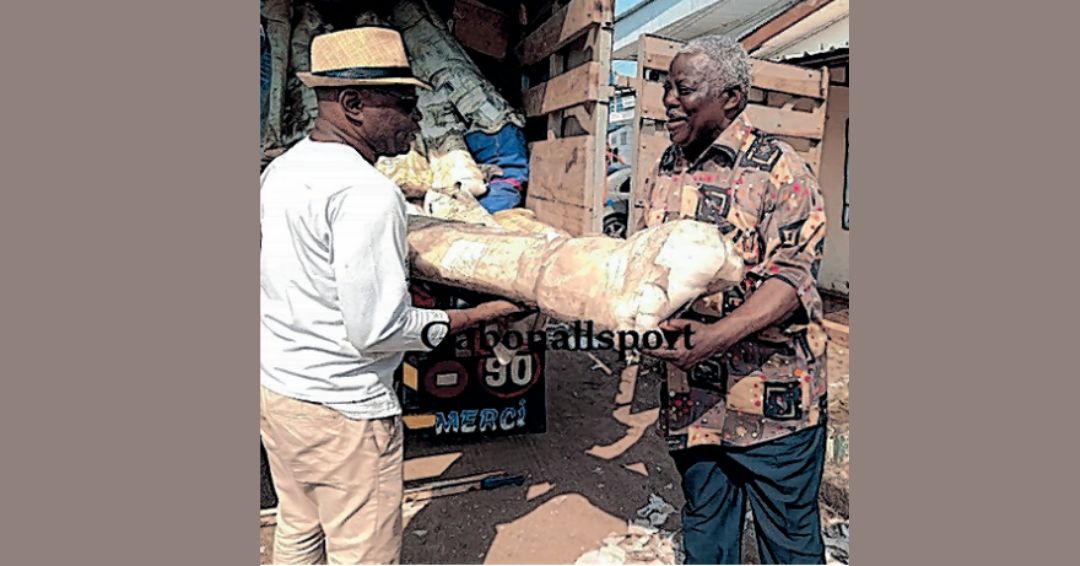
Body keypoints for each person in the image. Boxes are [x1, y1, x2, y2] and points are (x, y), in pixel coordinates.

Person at [260, 27, 523, 564]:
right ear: (352, 104)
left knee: (298, 528)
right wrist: (479, 315)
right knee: (364, 554)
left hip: (281, 394)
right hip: (345, 412)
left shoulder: (282, 170)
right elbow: (376, 330)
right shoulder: (367, 193)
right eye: (404, 103)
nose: (418, 117)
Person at [642, 35, 830, 564]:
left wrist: (716, 337)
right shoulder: (667, 167)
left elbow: (793, 279)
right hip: (694, 402)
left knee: (789, 546)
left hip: (772, 407)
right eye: (667, 87)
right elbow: (648, 258)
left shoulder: (779, 171)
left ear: (732, 99)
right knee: (706, 534)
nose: (670, 100)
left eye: (685, 89)